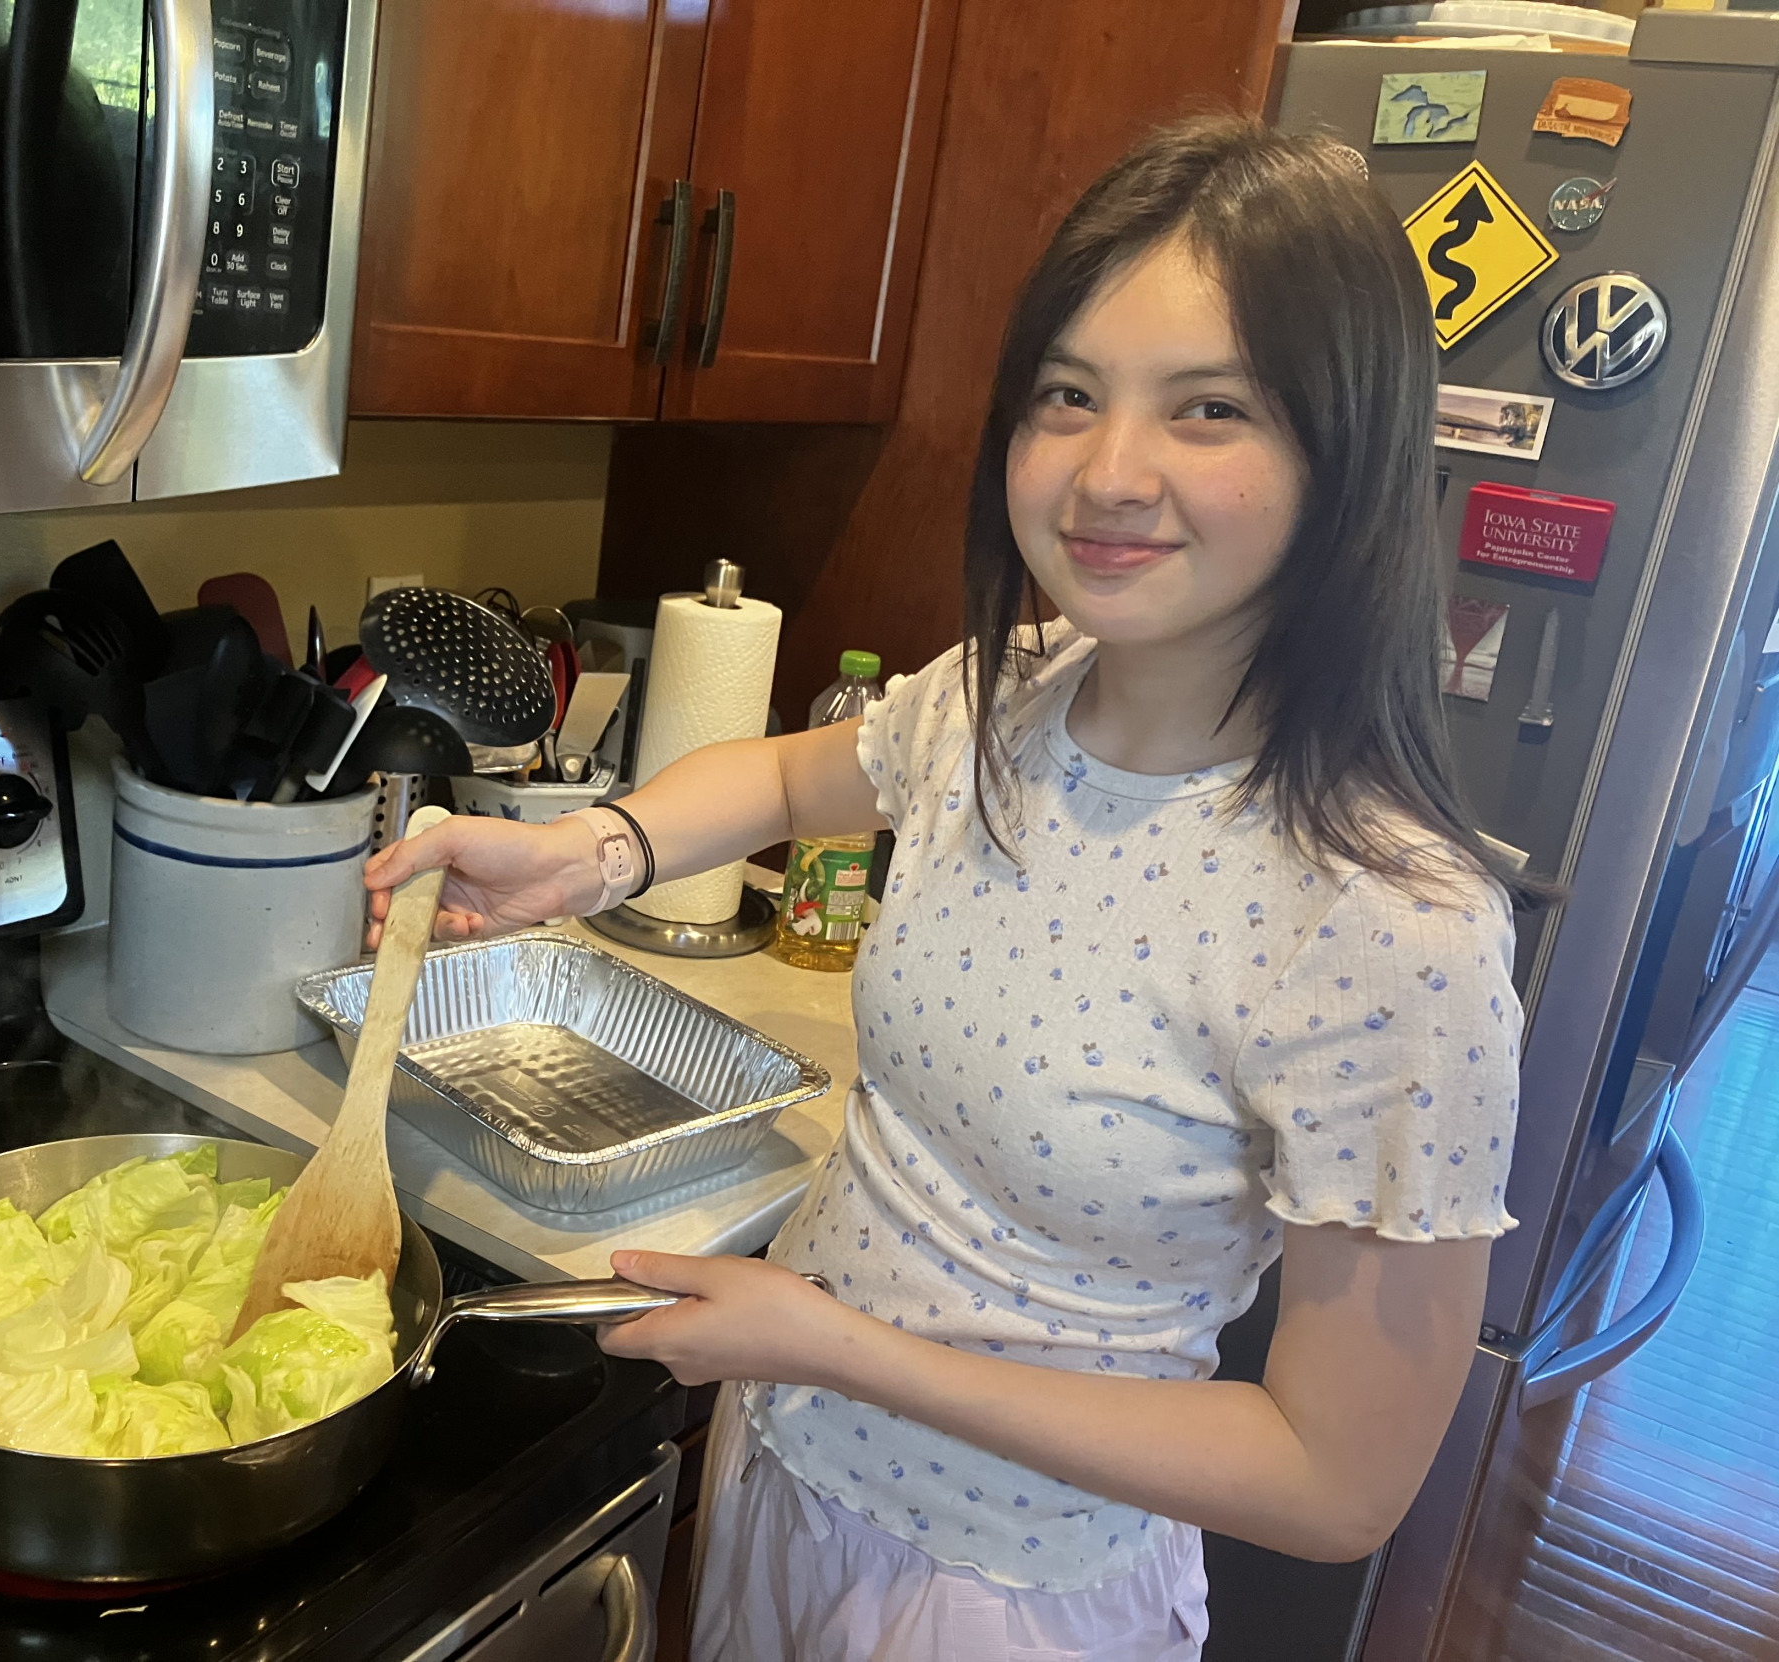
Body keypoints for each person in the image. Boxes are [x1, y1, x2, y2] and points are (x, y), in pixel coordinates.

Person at [363, 114, 1535, 1661]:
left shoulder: (1391, 923)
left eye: (1207, 409)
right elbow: (790, 776)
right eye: (1067, 394)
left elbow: (1330, 1484)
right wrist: (589, 850)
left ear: (1347, 450)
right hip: (785, 1466)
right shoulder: (1014, 694)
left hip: (1005, 1596)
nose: (1107, 473)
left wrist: (845, 1348)